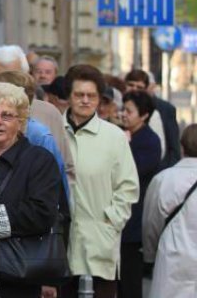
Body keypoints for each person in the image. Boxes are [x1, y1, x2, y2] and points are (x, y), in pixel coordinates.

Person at [0, 82, 65, 298]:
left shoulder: (39, 160)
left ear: (21, 121)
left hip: (17, 276)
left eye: (6, 115)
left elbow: (42, 213)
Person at [62, 64, 139, 298]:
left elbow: (128, 187)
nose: (85, 100)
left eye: (91, 95)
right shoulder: (53, 131)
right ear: (69, 97)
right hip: (59, 244)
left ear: (99, 99)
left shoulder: (114, 136)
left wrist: (111, 221)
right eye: (79, 95)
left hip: (99, 243)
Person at [0, 45, 75, 193]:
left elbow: (65, 169)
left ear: (26, 75)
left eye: (13, 77)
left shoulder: (48, 114)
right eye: (0, 79)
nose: (6, 86)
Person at [142, 124, 197, 298]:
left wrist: (150, 257)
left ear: (182, 147)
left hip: (171, 262)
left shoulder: (163, 179)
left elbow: (150, 224)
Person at [118, 91, 160, 298]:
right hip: (115, 218)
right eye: (123, 109)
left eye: (129, 111)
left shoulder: (150, 141)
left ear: (143, 115)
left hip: (133, 220)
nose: (123, 114)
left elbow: (131, 172)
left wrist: (126, 146)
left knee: (130, 281)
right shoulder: (119, 133)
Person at [125, 68, 180, 169]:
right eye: (131, 85)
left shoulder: (160, 111)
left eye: (139, 87)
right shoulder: (119, 106)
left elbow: (172, 148)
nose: (134, 89)